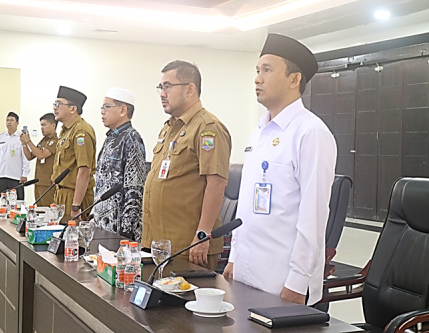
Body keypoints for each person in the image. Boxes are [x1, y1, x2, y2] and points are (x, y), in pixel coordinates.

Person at [223, 34, 337, 306]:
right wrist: (234, 259)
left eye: (267, 70)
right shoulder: (260, 131)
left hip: (281, 280)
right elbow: (247, 207)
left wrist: (297, 282)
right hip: (246, 272)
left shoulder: (311, 133)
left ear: (294, 79)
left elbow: (314, 216)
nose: (257, 79)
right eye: (257, 71)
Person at [141, 60, 232, 271]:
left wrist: (202, 236)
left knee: (185, 304)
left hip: (187, 246)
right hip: (160, 243)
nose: (162, 93)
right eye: (160, 87)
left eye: (167, 86)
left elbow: (216, 184)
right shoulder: (169, 128)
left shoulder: (208, 128)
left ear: (190, 89)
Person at [89, 87, 146, 241]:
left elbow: (135, 189)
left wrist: (127, 233)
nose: (102, 111)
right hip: (102, 224)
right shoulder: (111, 138)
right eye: (102, 107)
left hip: (119, 231)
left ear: (122, 110)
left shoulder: (132, 139)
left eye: (107, 107)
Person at [51, 86, 96, 224]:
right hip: (61, 194)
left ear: (72, 108)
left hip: (74, 196)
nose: (54, 108)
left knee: (73, 241)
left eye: (59, 104)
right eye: (54, 104)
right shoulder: (65, 131)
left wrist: (76, 206)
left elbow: (84, 171)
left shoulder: (81, 131)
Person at [0, 111, 30, 200]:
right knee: (2, 202)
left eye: (12, 120)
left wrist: (25, 174)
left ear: (17, 123)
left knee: (18, 203)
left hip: (16, 177)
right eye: (7, 120)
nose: (9, 122)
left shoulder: (21, 138)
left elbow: (25, 158)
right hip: (1, 176)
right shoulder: (0, 138)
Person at [20, 113, 59, 207]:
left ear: (53, 126)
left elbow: (41, 155)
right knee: (39, 210)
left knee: (47, 210)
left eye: (44, 125)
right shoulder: (43, 141)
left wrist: (29, 141)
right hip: (38, 181)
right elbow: (30, 156)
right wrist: (24, 144)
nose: (42, 128)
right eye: (41, 125)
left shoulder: (55, 141)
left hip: (48, 183)